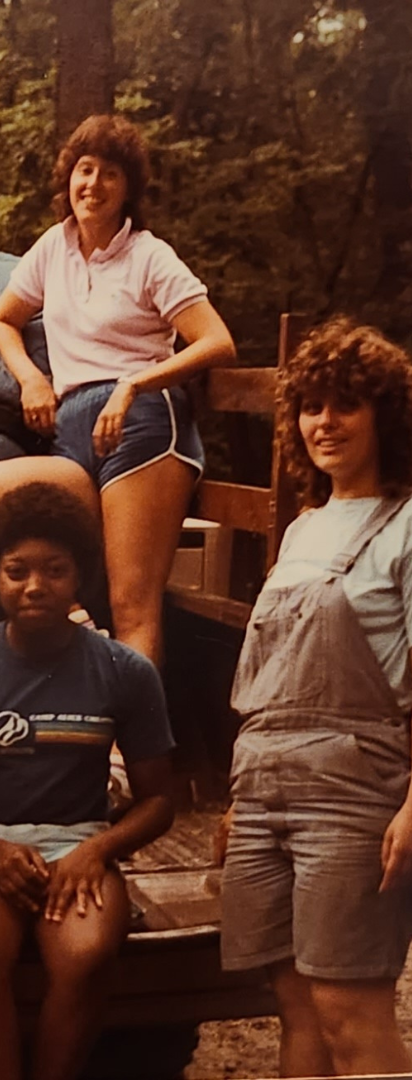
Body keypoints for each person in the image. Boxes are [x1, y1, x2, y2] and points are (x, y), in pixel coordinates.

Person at [0, 482, 175, 1080]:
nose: (34, 586)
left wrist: (95, 851)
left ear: (79, 576)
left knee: (86, 954)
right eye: (16, 570)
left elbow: (160, 800)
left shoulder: (123, 670)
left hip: (80, 842)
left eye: (55, 570)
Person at [0, 114, 236, 664]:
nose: (93, 184)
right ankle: (82, 636)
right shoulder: (53, 247)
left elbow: (216, 342)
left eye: (110, 173)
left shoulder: (148, 255)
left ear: (128, 188)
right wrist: (32, 379)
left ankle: (136, 750)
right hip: (71, 428)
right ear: (69, 178)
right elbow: (2, 319)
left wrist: (135, 382)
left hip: (143, 422)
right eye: (85, 170)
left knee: (133, 606)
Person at [220, 318, 412, 1078]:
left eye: (346, 406)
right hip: (264, 786)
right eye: (310, 406)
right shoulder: (302, 528)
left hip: (352, 791)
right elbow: (269, 679)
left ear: (385, 417)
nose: (323, 423)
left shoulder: (406, 526)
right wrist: (243, 793)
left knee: (349, 1009)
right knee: (294, 1005)